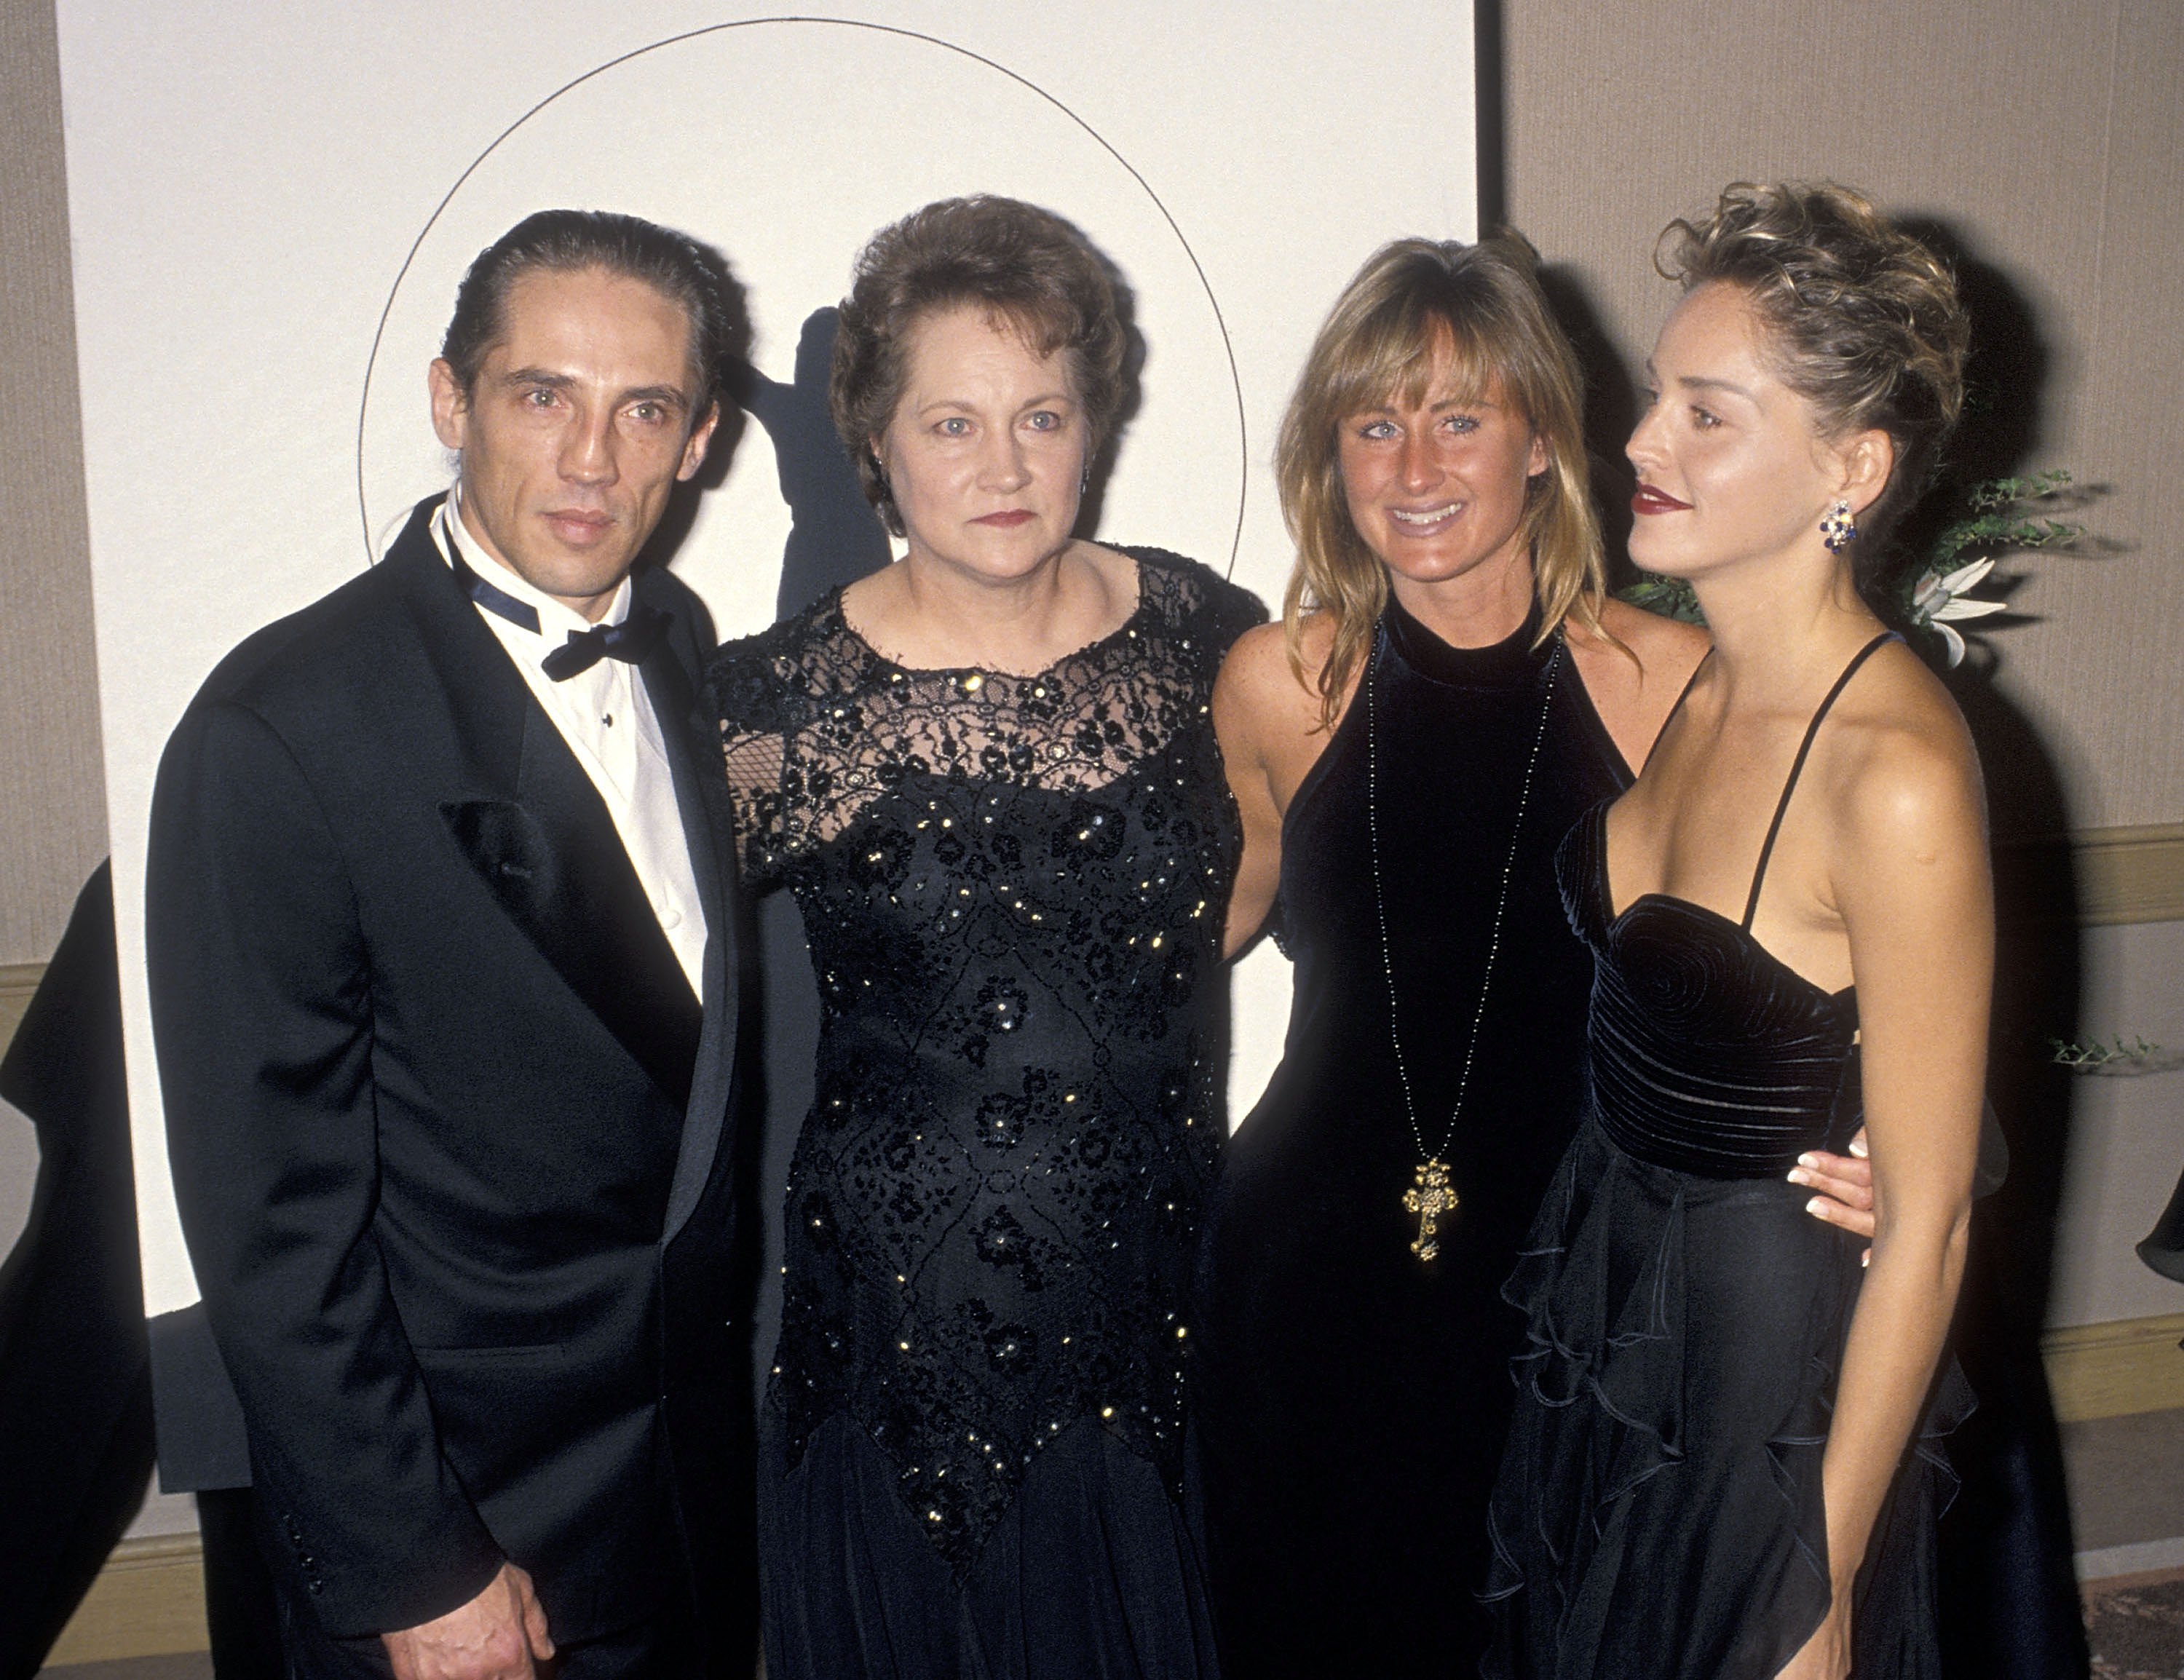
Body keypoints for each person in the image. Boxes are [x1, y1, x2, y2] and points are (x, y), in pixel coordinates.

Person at [1197, 234, 1876, 1678]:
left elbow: (1825, 965)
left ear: (1546, 446)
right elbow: (1166, 947)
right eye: (1374, 423)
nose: (1415, 464)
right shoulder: (1282, 681)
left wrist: (1890, 1139)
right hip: (1308, 1285)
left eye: (1460, 417)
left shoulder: (1675, 686)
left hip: (1574, 1291)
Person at [146, 210, 748, 1680]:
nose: (593, 458)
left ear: (699, 436)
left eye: (643, 408)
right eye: (544, 395)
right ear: (449, 400)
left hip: (691, 1490)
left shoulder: (680, 641)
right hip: (470, 1525)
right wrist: (419, 1562)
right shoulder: (279, 727)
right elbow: (272, 1228)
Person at [709, 194, 1259, 1680]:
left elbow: (1362, 877)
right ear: (876, 439)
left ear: (1098, 420)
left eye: (1042, 414)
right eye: (952, 424)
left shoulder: (1210, 639)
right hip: (895, 1315)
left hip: (1159, 1293)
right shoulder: (777, 701)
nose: (1004, 466)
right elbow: (600, 963)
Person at [1481, 182, 1987, 1680]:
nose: (1641, 443)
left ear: (1853, 465)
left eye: (1710, 414)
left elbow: (1936, 1220)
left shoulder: (1893, 767)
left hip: (1764, 1385)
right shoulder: (1700, 673)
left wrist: (1813, 1586)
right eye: (1656, 398)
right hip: (1613, 1307)